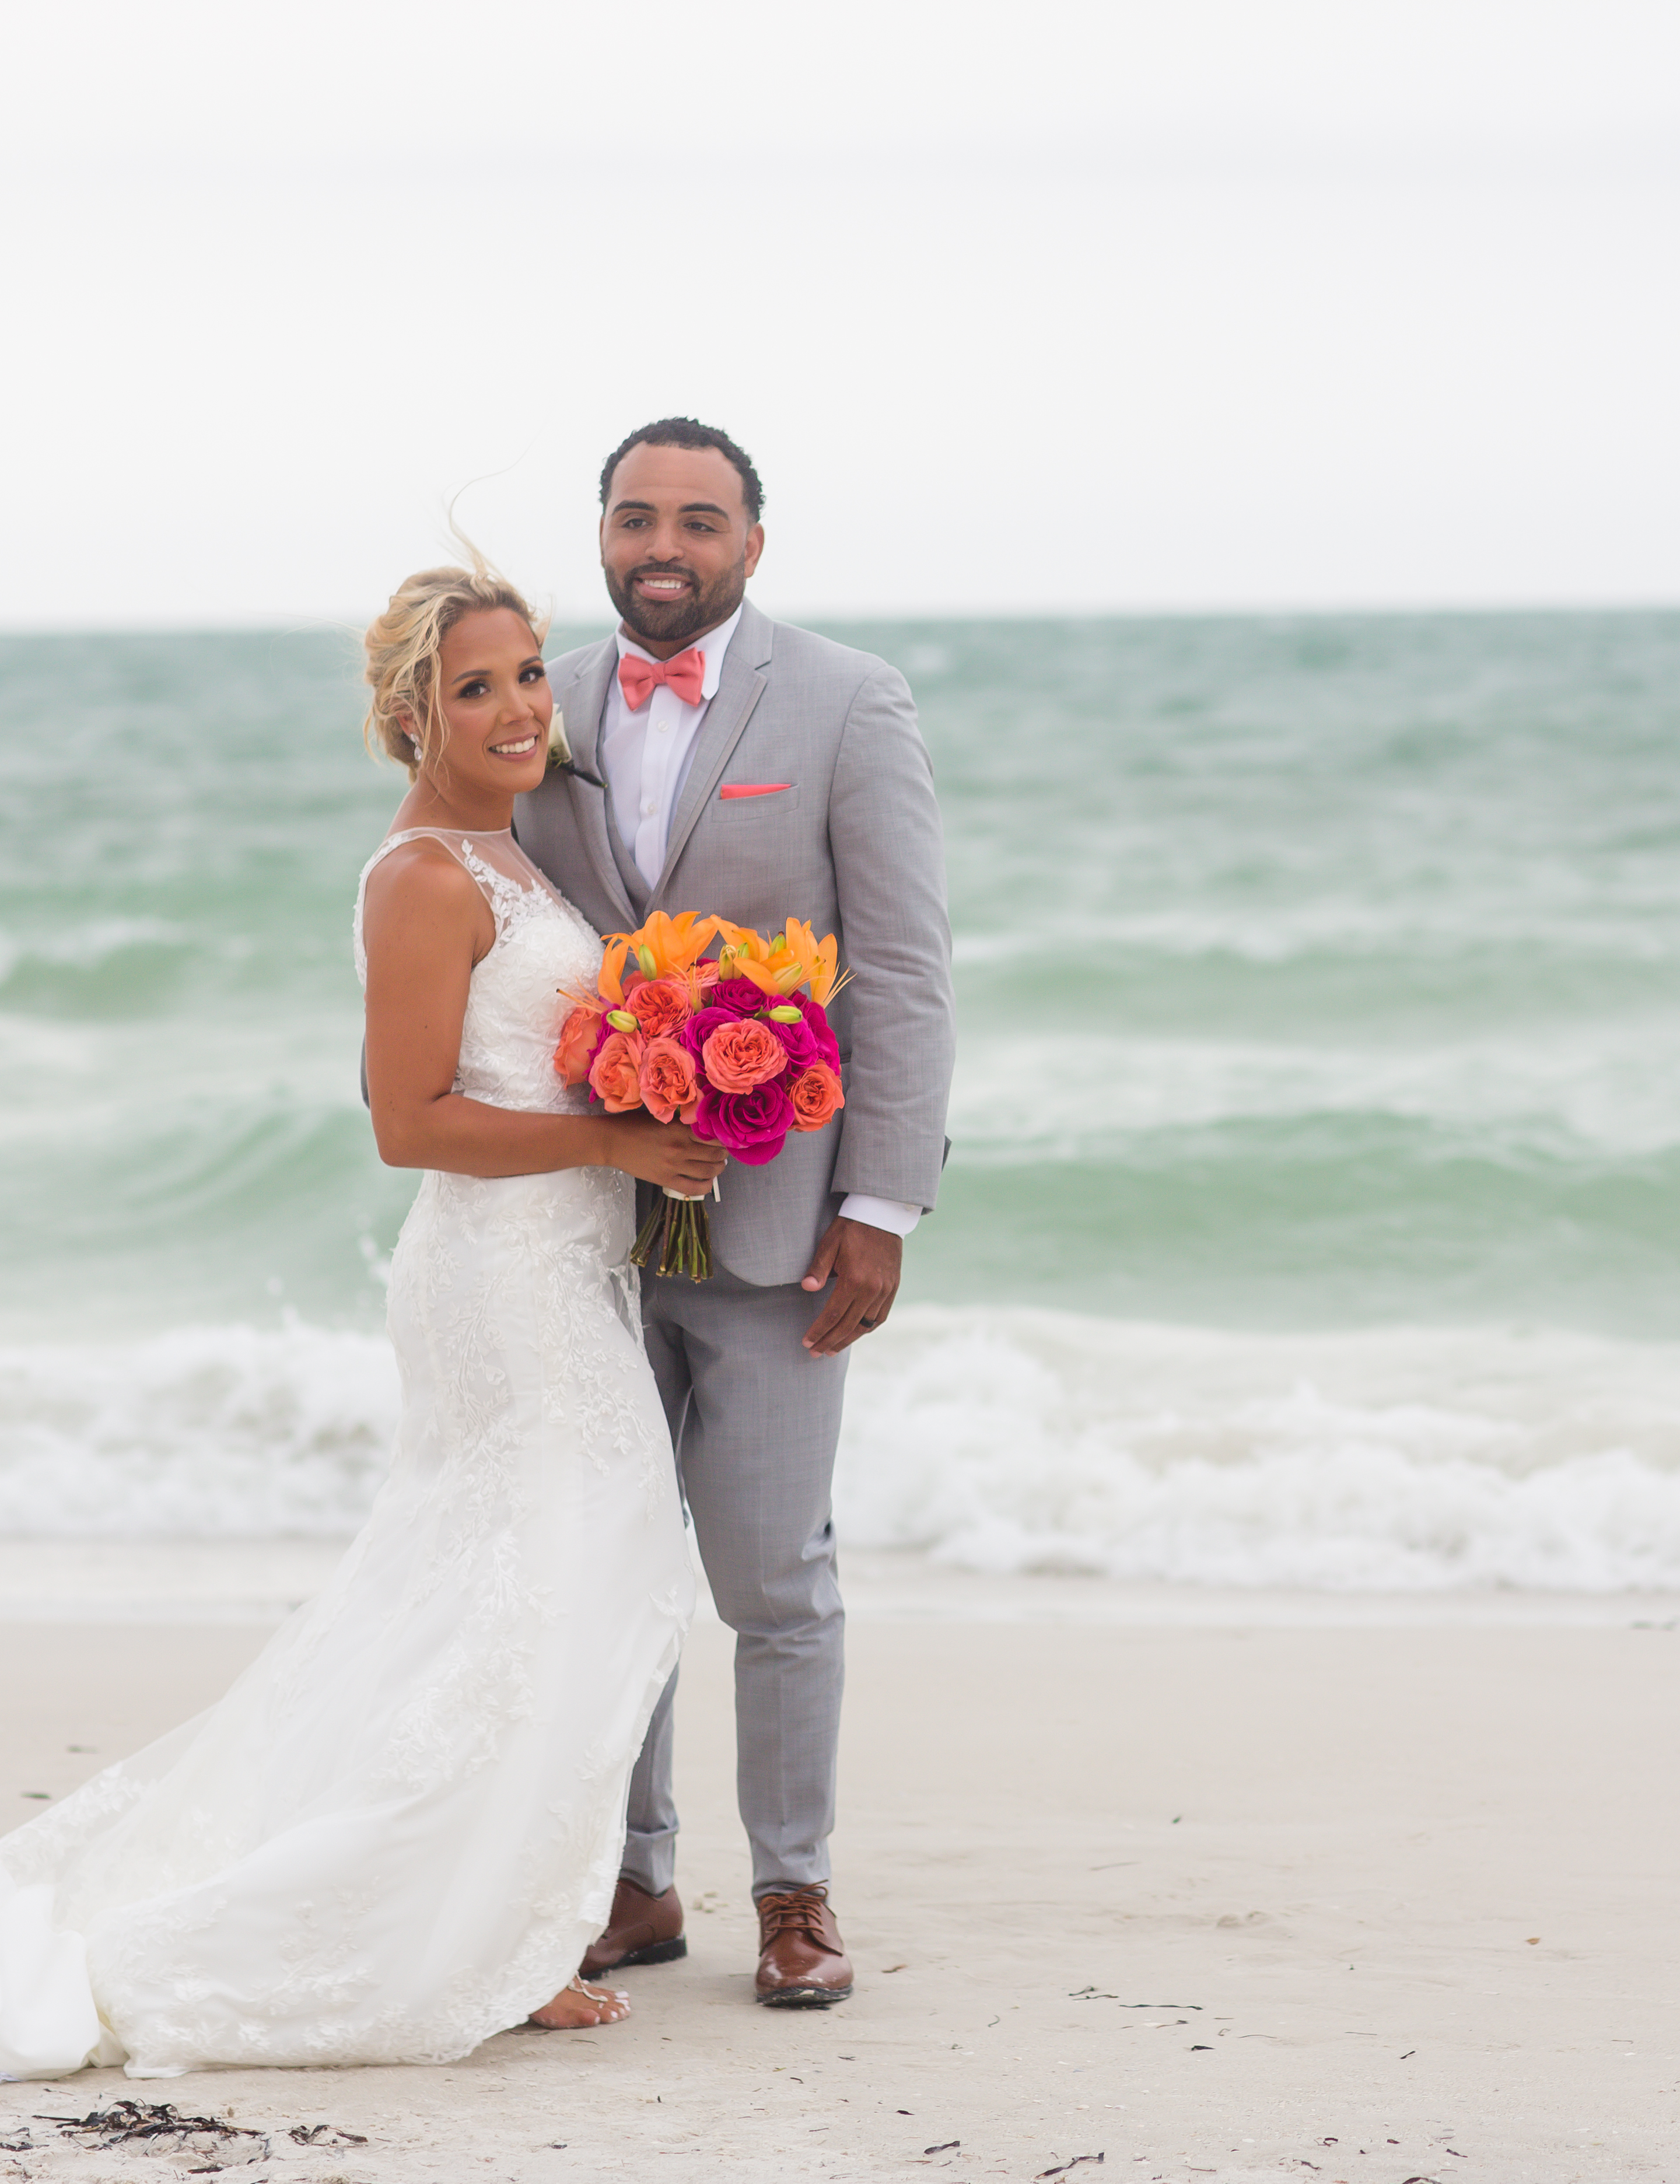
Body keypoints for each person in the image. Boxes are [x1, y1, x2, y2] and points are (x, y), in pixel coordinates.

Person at [0, 564, 716, 2087]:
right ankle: (459, 1943)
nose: (519, 709)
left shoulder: (508, 857)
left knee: (524, 1593)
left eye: (528, 676)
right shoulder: (424, 880)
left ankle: (503, 1924)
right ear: (411, 716)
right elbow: (408, 1121)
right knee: (524, 1602)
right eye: (476, 688)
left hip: (563, 1270)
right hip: (498, 1287)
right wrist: (613, 1146)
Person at [514, 418, 954, 2007]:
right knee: (610, 1567)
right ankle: (632, 1882)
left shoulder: (845, 702)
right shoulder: (538, 706)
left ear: (753, 543)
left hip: (782, 1228)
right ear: (604, 532)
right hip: (577, 1227)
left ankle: (794, 1893)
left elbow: (901, 968)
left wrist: (884, 1200)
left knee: (776, 1577)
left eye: (699, 521)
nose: (664, 547)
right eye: (636, 518)